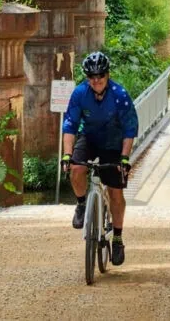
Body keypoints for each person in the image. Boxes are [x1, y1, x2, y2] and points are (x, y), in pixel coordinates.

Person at [61, 52, 137, 266]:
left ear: (107, 75)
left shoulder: (120, 95)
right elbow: (69, 126)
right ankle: (81, 204)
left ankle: (118, 238)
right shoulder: (79, 94)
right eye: (92, 77)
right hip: (90, 137)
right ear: (87, 77)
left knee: (115, 192)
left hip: (113, 142)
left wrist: (124, 158)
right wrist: (67, 155)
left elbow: (130, 129)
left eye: (100, 76)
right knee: (76, 168)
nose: (96, 80)